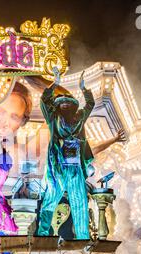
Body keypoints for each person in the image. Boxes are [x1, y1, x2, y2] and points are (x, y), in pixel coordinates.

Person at [36, 68, 94, 239]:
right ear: (58, 106)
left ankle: (83, 238)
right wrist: (55, 83)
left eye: (68, 103)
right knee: (50, 199)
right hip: (59, 166)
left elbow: (90, 105)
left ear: (73, 106)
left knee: (80, 203)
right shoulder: (53, 119)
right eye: (62, 103)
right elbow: (43, 100)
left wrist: (84, 89)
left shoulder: (79, 118)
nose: (65, 105)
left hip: (75, 167)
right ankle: (42, 234)